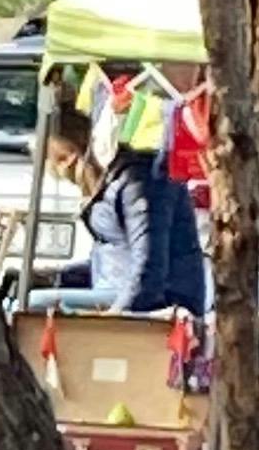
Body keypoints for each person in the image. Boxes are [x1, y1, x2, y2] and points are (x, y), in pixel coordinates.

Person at [82, 127, 209, 315]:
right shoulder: (124, 178)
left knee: (36, 304)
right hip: (119, 287)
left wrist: (117, 313)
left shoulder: (142, 181)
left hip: (160, 301)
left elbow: (149, 267)